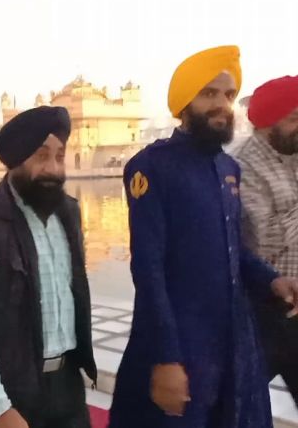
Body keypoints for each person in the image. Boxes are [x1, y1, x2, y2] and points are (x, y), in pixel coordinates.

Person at [108, 46, 298, 428]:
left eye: (228, 95)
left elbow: (233, 250)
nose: (222, 105)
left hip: (231, 341)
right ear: (184, 102)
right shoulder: (152, 167)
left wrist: (272, 279)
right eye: (209, 93)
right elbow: (148, 269)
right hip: (182, 341)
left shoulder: (227, 168)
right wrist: (166, 358)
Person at [0, 106, 97, 428]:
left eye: (59, 156)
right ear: (16, 160)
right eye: (42, 156)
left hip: (68, 388)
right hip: (12, 392)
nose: (53, 168)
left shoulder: (68, 214)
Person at [235, 75, 298, 407]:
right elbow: (265, 241)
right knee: (240, 402)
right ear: (268, 121)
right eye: (294, 118)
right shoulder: (242, 166)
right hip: (266, 308)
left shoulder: (292, 153)